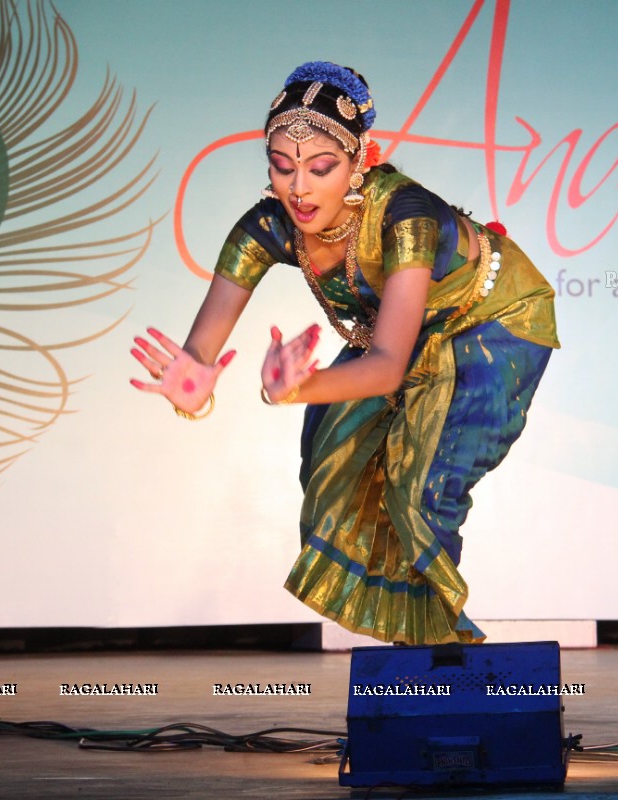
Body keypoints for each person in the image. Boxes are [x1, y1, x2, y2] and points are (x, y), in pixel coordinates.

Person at [131, 62, 559, 645]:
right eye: (282, 168)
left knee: (420, 487)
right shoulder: (267, 227)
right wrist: (193, 383)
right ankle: (418, 649)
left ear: (363, 160)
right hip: (398, 333)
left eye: (321, 168)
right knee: (330, 461)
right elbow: (198, 355)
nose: (299, 189)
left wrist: (294, 388)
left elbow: (384, 367)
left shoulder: (405, 215)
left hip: (489, 322)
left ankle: (448, 657)